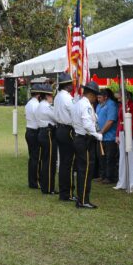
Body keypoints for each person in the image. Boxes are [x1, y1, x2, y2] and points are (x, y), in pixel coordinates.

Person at [72, 81, 103, 209]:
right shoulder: (86, 106)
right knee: (85, 170)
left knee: (82, 169)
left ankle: (81, 198)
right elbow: (87, 124)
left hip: (80, 138)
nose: (96, 98)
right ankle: (83, 200)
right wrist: (96, 135)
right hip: (85, 140)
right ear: (90, 94)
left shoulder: (79, 103)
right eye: (95, 95)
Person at [54, 73, 77, 202]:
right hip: (67, 129)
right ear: (68, 85)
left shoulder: (58, 96)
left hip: (60, 128)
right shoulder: (67, 98)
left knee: (64, 163)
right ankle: (67, 193)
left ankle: (64, 192)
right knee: (68, 163)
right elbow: (74, 112)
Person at [114, 91, 133, 191]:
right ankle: (122, 182)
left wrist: (131, 134)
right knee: (122, 158)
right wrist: (117, 135)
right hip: (122, 131)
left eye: (119, 97)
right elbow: (119, 121)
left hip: (129, 132)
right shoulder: (122, 105)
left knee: (131, 157)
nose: (118, 99)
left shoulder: (132, 105)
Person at [35, 84, 57, 194]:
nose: (52, 98)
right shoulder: (45, 106)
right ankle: (48, 188)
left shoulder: (41, 105)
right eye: (51, 96)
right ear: (47, 96)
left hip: (43, 132)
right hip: (48, 132)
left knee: (46, 160)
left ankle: (46, 186)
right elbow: (56, 117)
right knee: (49, 161)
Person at [96, 88, 119, 184]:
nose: (98, 99)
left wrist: (102, 131)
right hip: (100, 136)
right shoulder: (99, 105)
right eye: (97, 97)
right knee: (101, 157)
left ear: (106, 97)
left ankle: (110, 177)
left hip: (109, 137)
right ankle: (103, 175)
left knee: (109, 158)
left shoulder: (111, 105)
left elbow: (110, 121)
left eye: (100, 97)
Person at [24, 84, 42, 189]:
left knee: (32, 158)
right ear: (38, 95)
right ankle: (35, 181)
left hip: (29, 130)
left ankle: (32, 181)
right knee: (36, 158)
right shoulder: (36, 105)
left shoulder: (29, 104)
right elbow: (39, 118)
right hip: (34, 131)